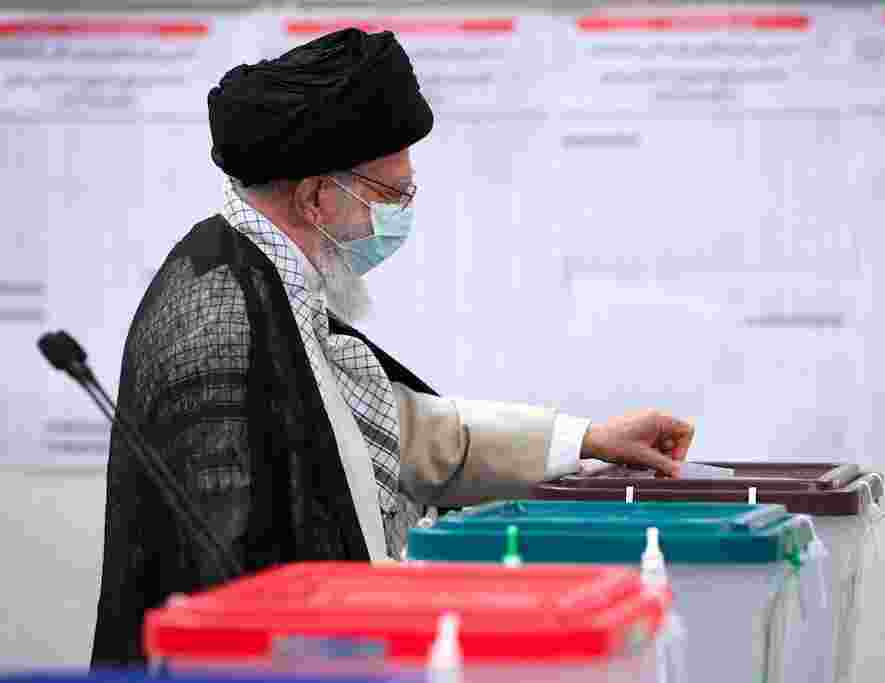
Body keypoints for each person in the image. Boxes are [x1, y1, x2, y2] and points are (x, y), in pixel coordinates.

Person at [91, 28, 694, 666]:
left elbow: (398, 429)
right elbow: (223, 569)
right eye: (389, 196)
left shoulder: (271, 280)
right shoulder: (219, 314)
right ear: (316, 197)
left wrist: (589, 439)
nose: (401, 213)